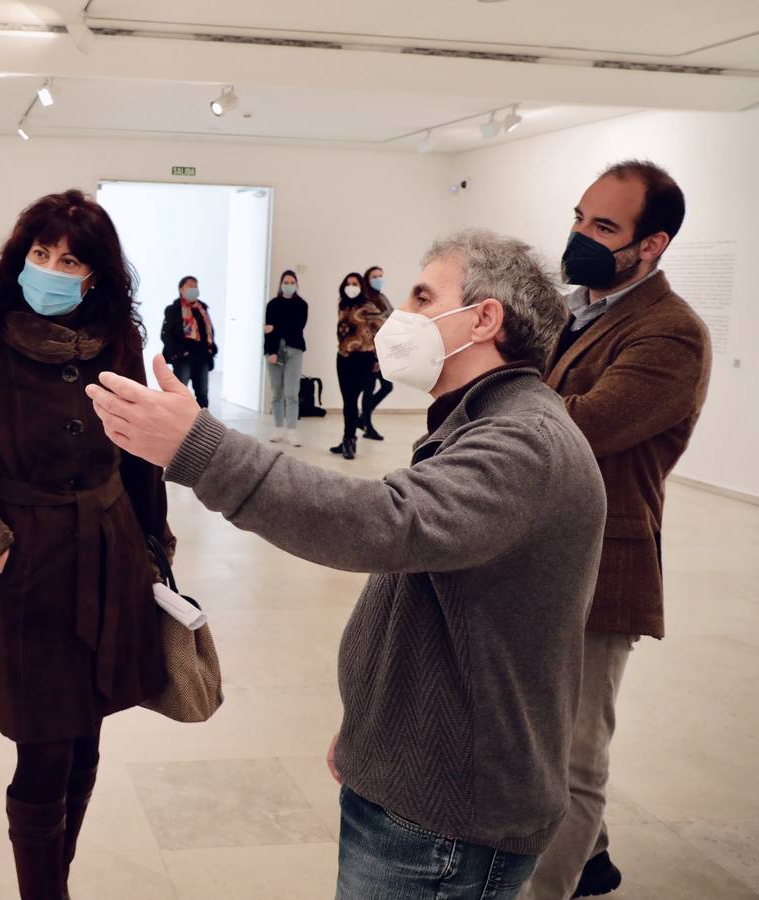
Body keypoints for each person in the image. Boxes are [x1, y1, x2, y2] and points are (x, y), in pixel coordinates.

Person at [86, 230, 607, 900]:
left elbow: (381, 523)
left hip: (447, 820)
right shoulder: (480, 421)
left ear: (484, 319)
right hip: (412, 781)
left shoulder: (524, 442)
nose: (400, 316)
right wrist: (373, 729)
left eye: (423, 296)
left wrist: (201, 449)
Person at [0, 189, 176, 900]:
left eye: (69, 259)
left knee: (86, 742)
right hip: (27, 571)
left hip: (111, 558)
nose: (51, 269)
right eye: (40, 254)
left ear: (96, 275)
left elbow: (139, 463)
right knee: (42, 754)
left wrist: (154, 549)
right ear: (19, 257)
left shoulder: (120, 344)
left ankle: (55, 881)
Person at [522, 161, 712, 900]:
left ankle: (547, 890)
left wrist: (500, 388)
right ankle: (593, 858)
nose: (580, 236)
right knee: (540, 729)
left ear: (651, 244)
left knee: (573, 758)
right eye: (579, 218)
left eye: (604, 228)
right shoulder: (571, 312)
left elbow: (579, 425)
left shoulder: (672, 335)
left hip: (603, 565)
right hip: (539, 549)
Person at [332, 273, 380, 459]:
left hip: (364, 358)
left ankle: (349, 440)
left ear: (361, 286)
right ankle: (347, 438)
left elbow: (380, 333)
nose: (351, 286)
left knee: (352, 400)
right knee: (348, 402)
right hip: (343, 358)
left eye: (355, 283)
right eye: (348, 283)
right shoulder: (342, 305)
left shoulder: (369, 307)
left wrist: (378, 359)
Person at [264, 270, 308, 446]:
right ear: (281, 284)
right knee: (276, 392)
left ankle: (292, 430)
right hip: (274, 352)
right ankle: (278, 428)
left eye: (292, 282)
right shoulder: (273, 304)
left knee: (291, 392)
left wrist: (275, 327)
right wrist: (271, 351)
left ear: (296, 285)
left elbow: (296, 327)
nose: (288, 284)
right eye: (285, 281)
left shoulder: (302, 305)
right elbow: (267, 331)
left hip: (294, 351)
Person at [160, 276, 217, 408]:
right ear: (181, 289)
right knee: (179, 394)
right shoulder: (173, 309)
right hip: (183, 359)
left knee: (202, 394)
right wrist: (179, 353)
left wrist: (211, 349)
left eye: (195, 287)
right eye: (190, 287)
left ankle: (202, 424)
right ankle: (175, 423)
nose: (194, 290)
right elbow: (166, 335)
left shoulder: (202, 308)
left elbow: (209, 331)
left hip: (202, 357)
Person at [358, 265, 394, 441]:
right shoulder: (366, 301)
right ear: (367, 279)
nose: (379, 279)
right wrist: (374, 356)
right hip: (371, 352)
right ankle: (368, 426)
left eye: (381, 275)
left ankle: (362, 419)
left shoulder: (382, 298)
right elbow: (368, 330)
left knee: (387, 386)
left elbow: (391, 319)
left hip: (383, 351)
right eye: (375, 276)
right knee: (369, 388)